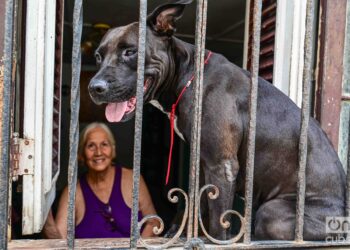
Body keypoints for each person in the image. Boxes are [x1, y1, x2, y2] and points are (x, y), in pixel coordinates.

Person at [44, 122, 157, 238]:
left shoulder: (133, 179)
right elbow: (59, 241)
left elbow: (153, 222)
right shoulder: (73, 192)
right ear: (81, 154)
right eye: (91, 146)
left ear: (113, 151)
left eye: (104, 144)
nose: (98, 152)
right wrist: (46, 217)